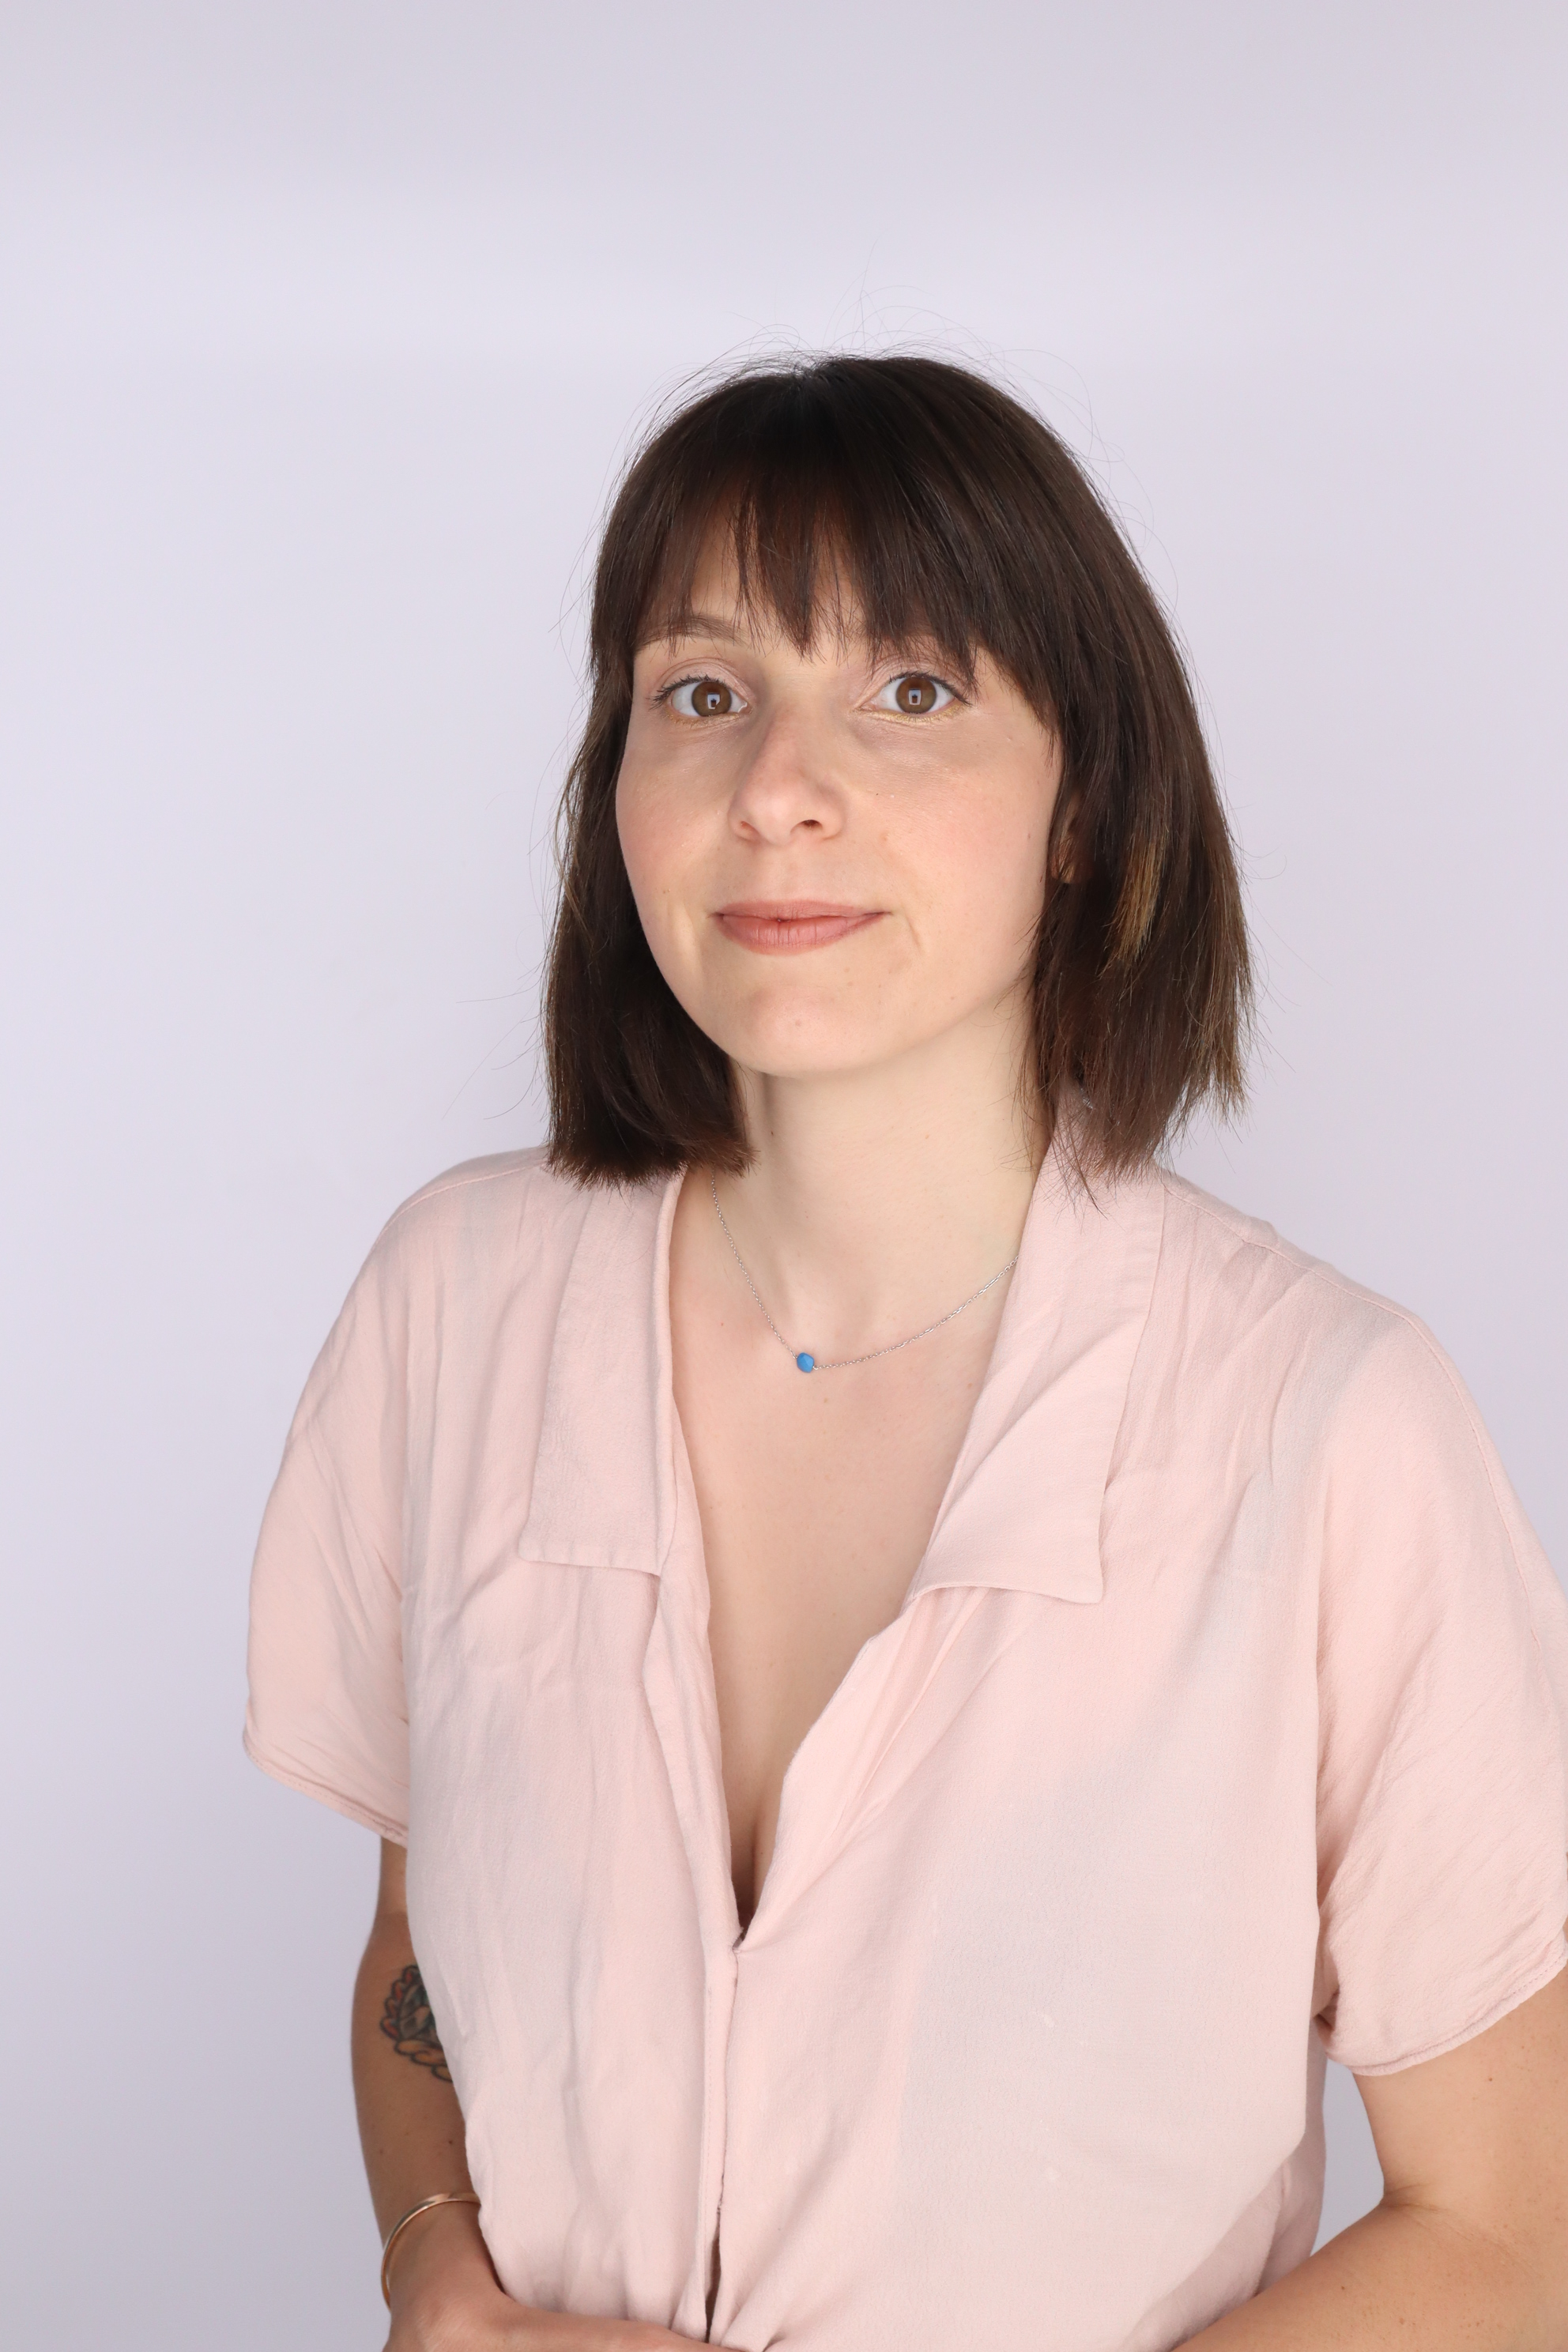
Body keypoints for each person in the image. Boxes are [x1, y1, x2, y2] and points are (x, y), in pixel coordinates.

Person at [244, 356, 1568, 2352]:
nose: (777, 787)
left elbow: (1510, 2230)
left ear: (1081, 807)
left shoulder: (1328, 1425)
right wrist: (434, 2270)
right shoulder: (454, 1304)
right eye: (702, 692)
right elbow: (419, 1944)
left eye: (913, 689)